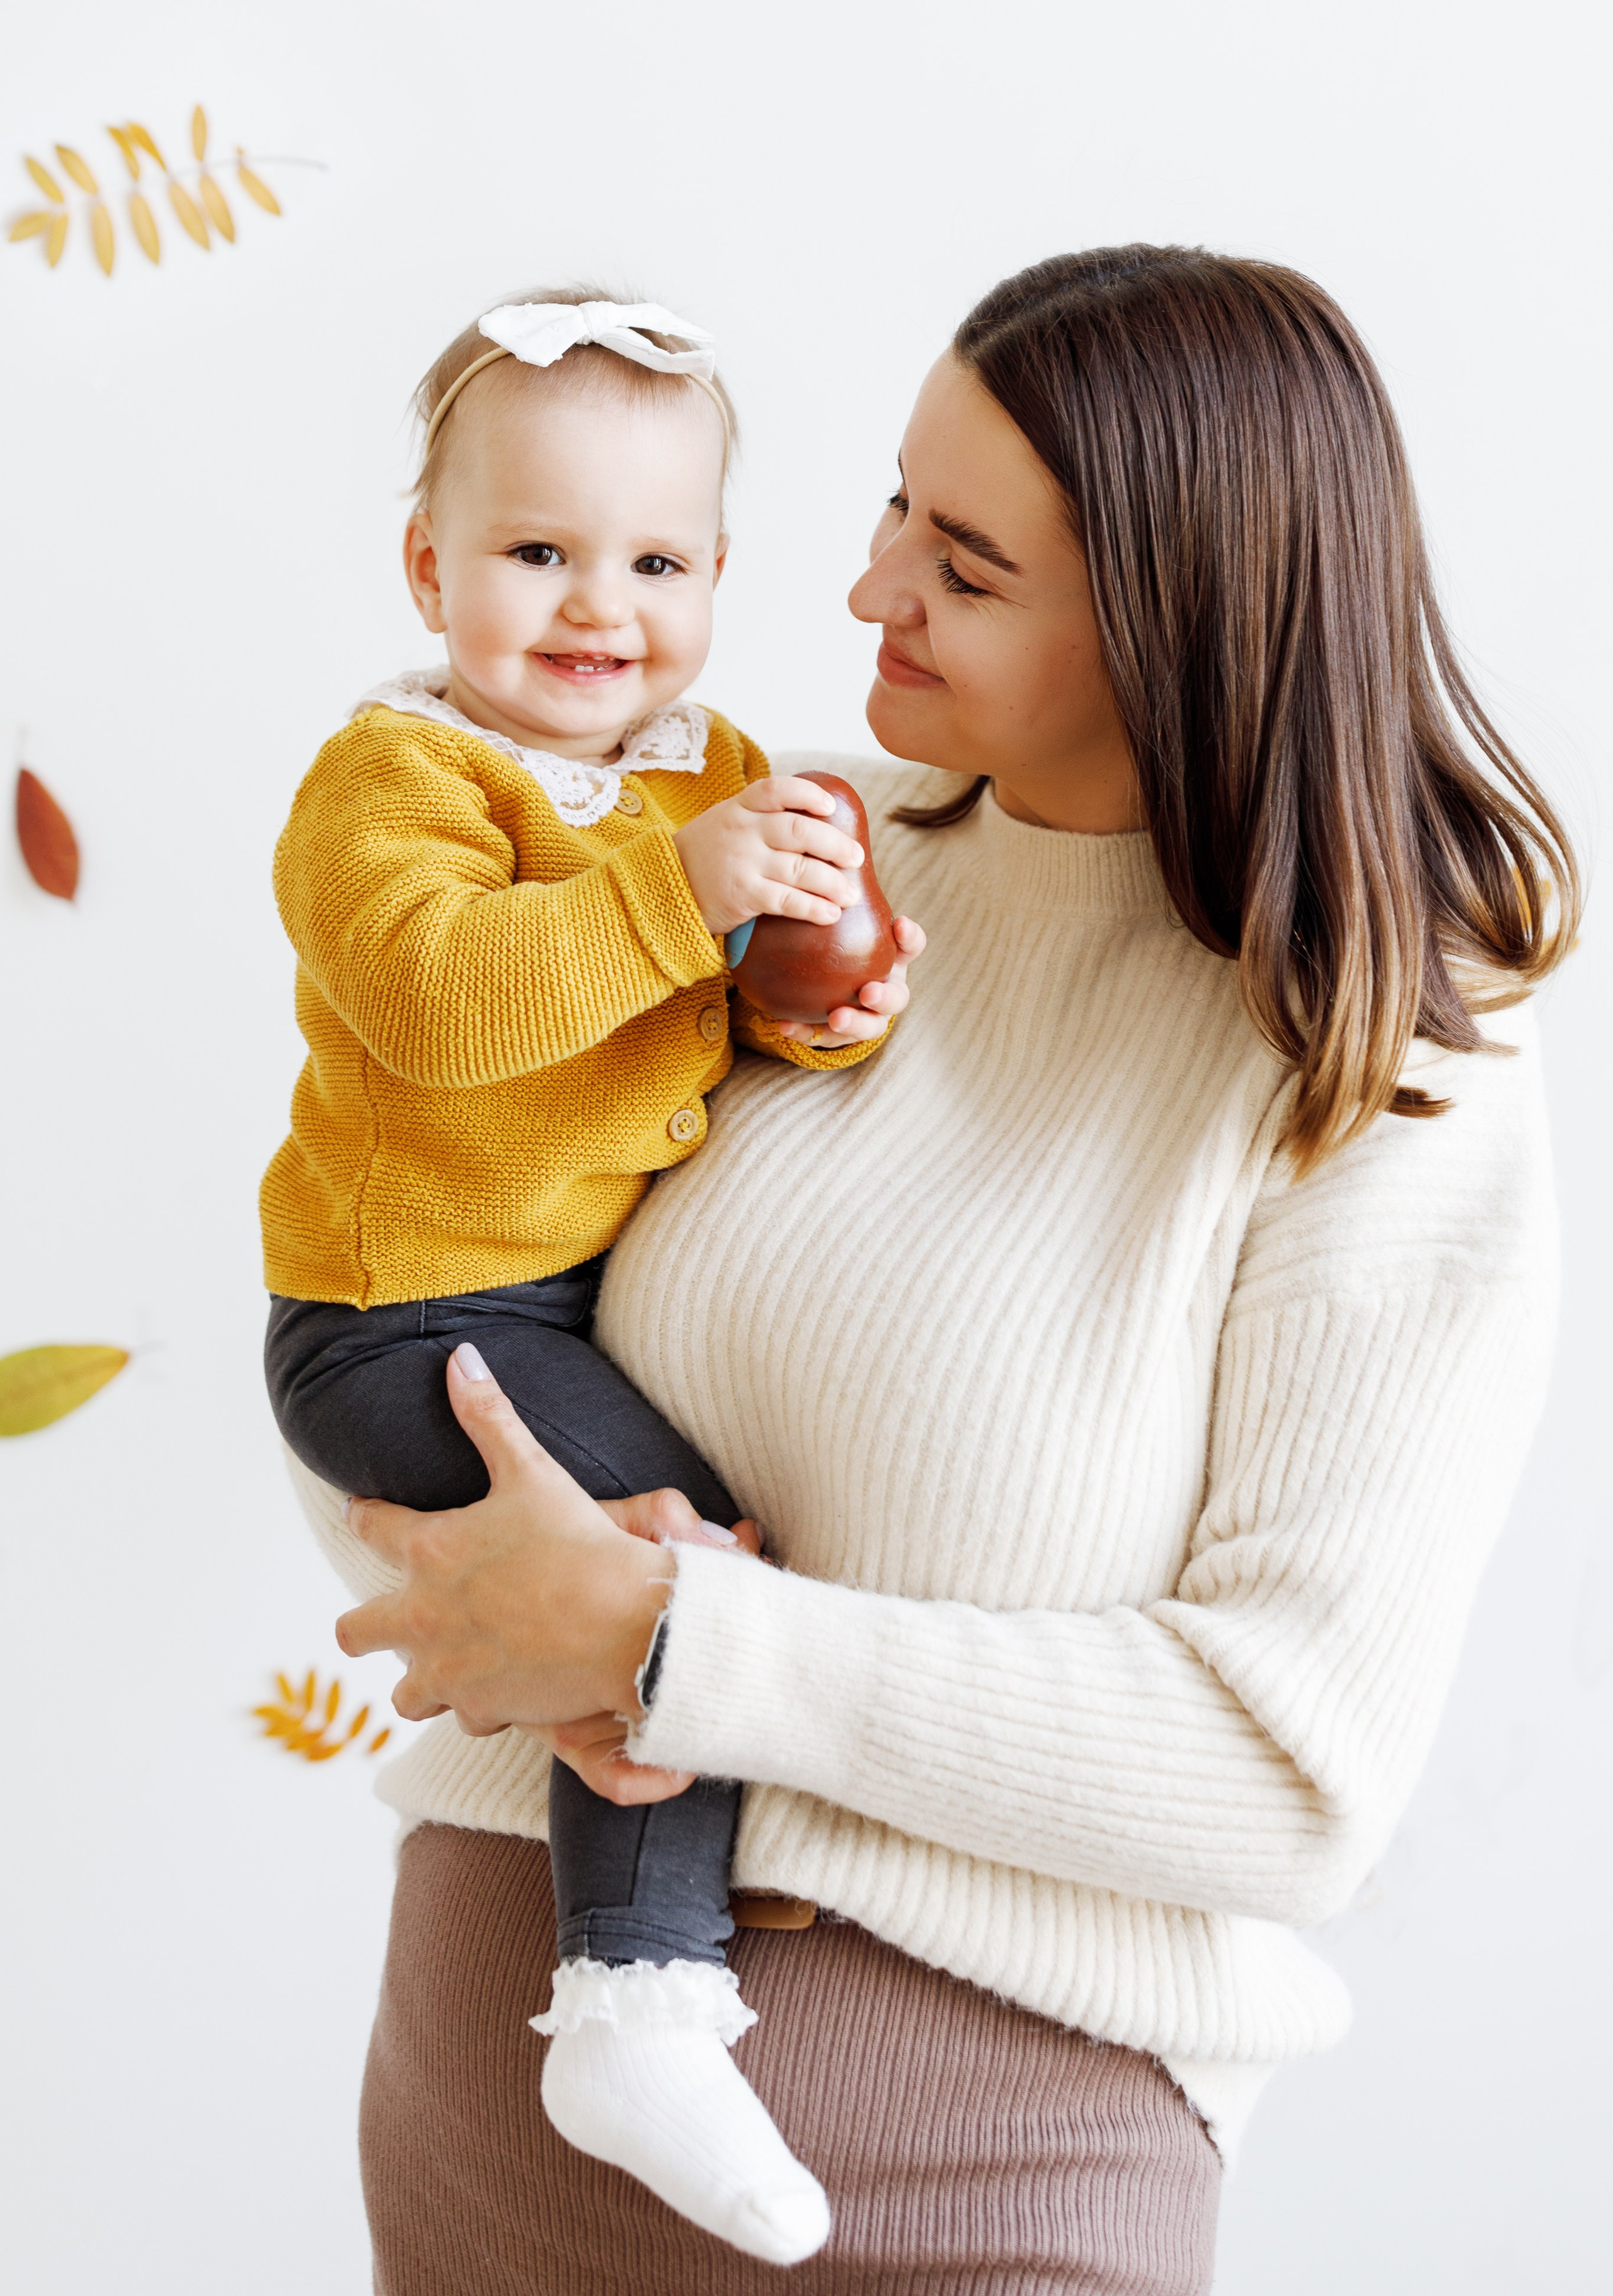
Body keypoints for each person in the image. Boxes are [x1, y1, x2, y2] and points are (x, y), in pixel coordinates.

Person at [306, 246, 1576, 2295]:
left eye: (966, 567)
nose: (864, 589)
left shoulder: (1384, 1074)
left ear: (1172, 625)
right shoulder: (768, 858)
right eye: (897, 504)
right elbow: (441, 1287)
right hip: (492, 2105)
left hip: (983, 2177)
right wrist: (490, 1570)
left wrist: (676, 1640)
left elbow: (1291, 1776)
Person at [260, 286, 922, 2265]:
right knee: (668, 1562)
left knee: (679, 1562)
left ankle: (674, 1876)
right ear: (427, 565)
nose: (595, 609)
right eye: (536, 552)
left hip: (554, 1299)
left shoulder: (710, 766)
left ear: (718, 573)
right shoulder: (394, 784)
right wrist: (684, 889)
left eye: (654, 562)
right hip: (400, 1315)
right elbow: (449, 1005)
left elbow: (707, 1010)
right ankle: (635, 2006)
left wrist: (816, 1003)